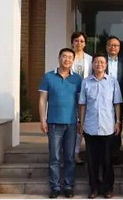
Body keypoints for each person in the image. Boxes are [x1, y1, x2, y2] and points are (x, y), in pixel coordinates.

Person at [38, 48, 82, 199]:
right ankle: (55, 187)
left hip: (72, 123)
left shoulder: (77, 79)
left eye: (70, 57)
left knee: (69, 157)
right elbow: (42, 100)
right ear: (59, 58)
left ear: (73, 60)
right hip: (54, 123)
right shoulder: (48, 77)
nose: (67, 59)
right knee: (55, 157)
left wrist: (80, 121)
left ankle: (68, 186)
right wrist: (42, 119)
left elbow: (80, 102)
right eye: (64, 56)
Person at [79, 55, 123, 199]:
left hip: (107, 127)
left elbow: (117, 103)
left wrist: (118, 121)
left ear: (106, 65)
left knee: (107, 160)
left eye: (102, 62)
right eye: (96, 62)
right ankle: (94, 188)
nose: (99, 64)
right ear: (92, 64)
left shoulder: (112, 81)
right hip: (90, 127)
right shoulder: (86, 82)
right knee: (92, 161)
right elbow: (83, 104)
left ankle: (108, 188)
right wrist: (81, 122)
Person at [71, 31, 93, 165]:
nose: (79, 43)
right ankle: (67, 152)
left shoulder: (90, 59)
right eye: (76, 40)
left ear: (85, 43)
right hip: (70, 95)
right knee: (71, 124)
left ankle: (76, 153)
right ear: (72, 42)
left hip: (85, 96)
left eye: (82, 41)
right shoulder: (68, 57)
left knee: (81, 124)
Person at [104, 36, 123, 159]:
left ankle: (115, 153)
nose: (113, 47)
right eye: (111, 45)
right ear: (106, 47)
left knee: (118, 123)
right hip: (104, 98)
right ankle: (105, 151)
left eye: (116, 45)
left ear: (119, 48)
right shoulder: (101, 61)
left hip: (120, 97)